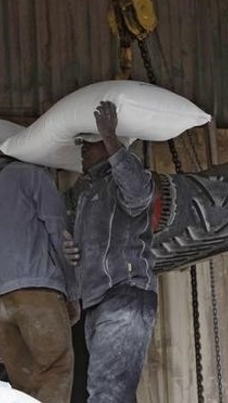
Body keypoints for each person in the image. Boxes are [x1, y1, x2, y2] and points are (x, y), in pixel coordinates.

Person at [0, 134, 80, 403]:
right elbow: (59, 232)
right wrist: (72, 290)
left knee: (24, 389)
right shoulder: (30, 175)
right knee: (55, 370)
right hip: (37, 292)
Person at [63, 100, 158, 403]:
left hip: (124, 295)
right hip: (98, 301)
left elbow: (139, 193)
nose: (83, 149)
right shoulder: (89, 191)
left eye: (89, 144)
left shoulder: (124, 180)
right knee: (109, 392)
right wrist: (71, 250)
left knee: (108, 393)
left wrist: (109, 137)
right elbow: (85, 249)